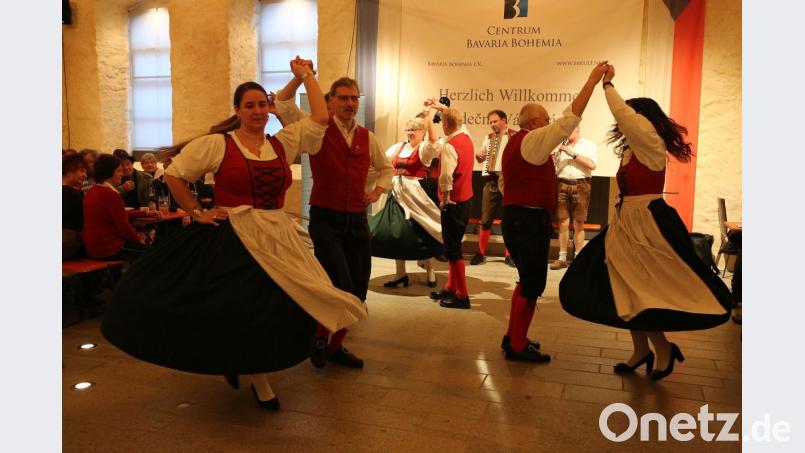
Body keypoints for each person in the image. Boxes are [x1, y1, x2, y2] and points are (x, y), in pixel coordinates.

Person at [101, 63, 367, 410]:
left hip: (277, 237)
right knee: (244, 309)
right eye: (250, 105)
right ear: (238, 111)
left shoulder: (281, 144)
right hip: (235, 237)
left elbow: (319, 117)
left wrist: (305, 75)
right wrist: (198, 211)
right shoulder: (218, 144)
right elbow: (176, 175)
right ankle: (258, 377)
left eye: (262, 105)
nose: (257, 111)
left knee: (281, 306)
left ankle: (246, 362)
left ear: (269, 109)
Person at [559, 64, 732, 381]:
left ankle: (663, 348)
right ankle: (642, 350)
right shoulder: (633, 148)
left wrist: (607, 85)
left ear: (643, 121)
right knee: (625, 288)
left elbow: (625, 116)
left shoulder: (651, 144)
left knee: (643, 290)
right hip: (627, 222)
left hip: (647, 224)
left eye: (631, 118)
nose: (623, 123)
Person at [275, 72, 393, 369]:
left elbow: (386, 168)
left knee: (358, 290)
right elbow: (284, 104)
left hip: (357, 219)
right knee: (338, 283)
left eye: (354, 98)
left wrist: (376, 191)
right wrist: (301, 77)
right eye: (343, 98)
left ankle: (335, 346)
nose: (350, 103)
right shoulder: (316, 129)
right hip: (325, 218)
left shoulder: (367, 137)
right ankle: (319, 337)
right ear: (330, 102)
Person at [498, 62, 610, 362]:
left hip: (516, 218)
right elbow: (568, 119)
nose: (551, 125)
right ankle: (517, 346)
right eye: (546, 120)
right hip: (527, 221)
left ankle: (513, 337)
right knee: (533, 284)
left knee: (525, 281)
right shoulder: (533, 139)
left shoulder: (515, 143)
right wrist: (591, 81)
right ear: (535, 122)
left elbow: (504, 182)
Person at [372, 116, 443, 289]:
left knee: (423, 231)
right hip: (397, 193)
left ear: (422, 132)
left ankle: (430, 270)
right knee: (397, 233)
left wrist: (429, 117)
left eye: (414, 130)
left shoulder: (423, 149)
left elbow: (433, 142)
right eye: (408, 129)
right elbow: (382, 161)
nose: (410, 132)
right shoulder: (399, 147)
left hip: (416, 195)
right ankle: (400, 273)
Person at [422, 101, 475, 310]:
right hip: (466, 200)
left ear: (445, 125)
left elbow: (446, 176)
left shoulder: (450, 145)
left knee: (453, 250)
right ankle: (451, 287)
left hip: (453, 202)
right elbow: (456, 120)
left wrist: (444, 197)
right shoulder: (466, 136)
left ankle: (462, 295)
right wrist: (442, 108)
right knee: (453, 246)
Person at [82, 154, 155, 260]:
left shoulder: (92, 191)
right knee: (155, 255)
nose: (122, 174)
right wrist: (139, 240)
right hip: (108, 247)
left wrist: (145, 213)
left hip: (92, 246)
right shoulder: (110, 194)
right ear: (109, 172)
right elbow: (124, 227)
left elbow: (120, 215)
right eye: (119, 171)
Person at [470, 110, 516, 267]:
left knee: (510, 219)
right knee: (485, 218)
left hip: (509, 182)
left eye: (495, 121)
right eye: (490, 122)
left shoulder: (514, 136)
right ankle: (480, 252)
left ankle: (509, 254)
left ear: (504, 120)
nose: (492, 125)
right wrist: (479, 156)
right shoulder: (489, 138)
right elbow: (480, 159)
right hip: (492, 181)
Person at [549, 126, 597, 270]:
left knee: (579, 222)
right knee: (562, 222)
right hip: (562, 184)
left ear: (577, 129)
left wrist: (572, 154)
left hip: (581, 185)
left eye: (570, 129)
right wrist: (552, 160)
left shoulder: (588, 145)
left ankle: (578, 259)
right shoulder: (560, 146)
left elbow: (592, 165)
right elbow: (555, 169)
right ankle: (562, 258)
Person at [63, 153, 87, 259]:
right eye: (82, 171)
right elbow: (83, 224)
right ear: (69, 171)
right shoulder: (73, 194)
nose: (85, 175)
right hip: (70, 248)